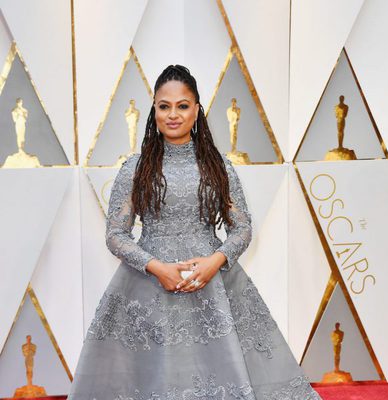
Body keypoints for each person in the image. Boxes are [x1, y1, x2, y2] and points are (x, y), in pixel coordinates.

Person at [67, 65, 321, 400]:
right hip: (148, 285)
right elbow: (116, 235)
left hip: (212, 285)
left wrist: (215, 262)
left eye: (182, 105)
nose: (173, 114)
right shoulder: (135, 168)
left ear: (197, 110)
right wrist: (156, 267)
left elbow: (242, 228)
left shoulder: (218, 166)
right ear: (154, 110)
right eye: (164, 106)